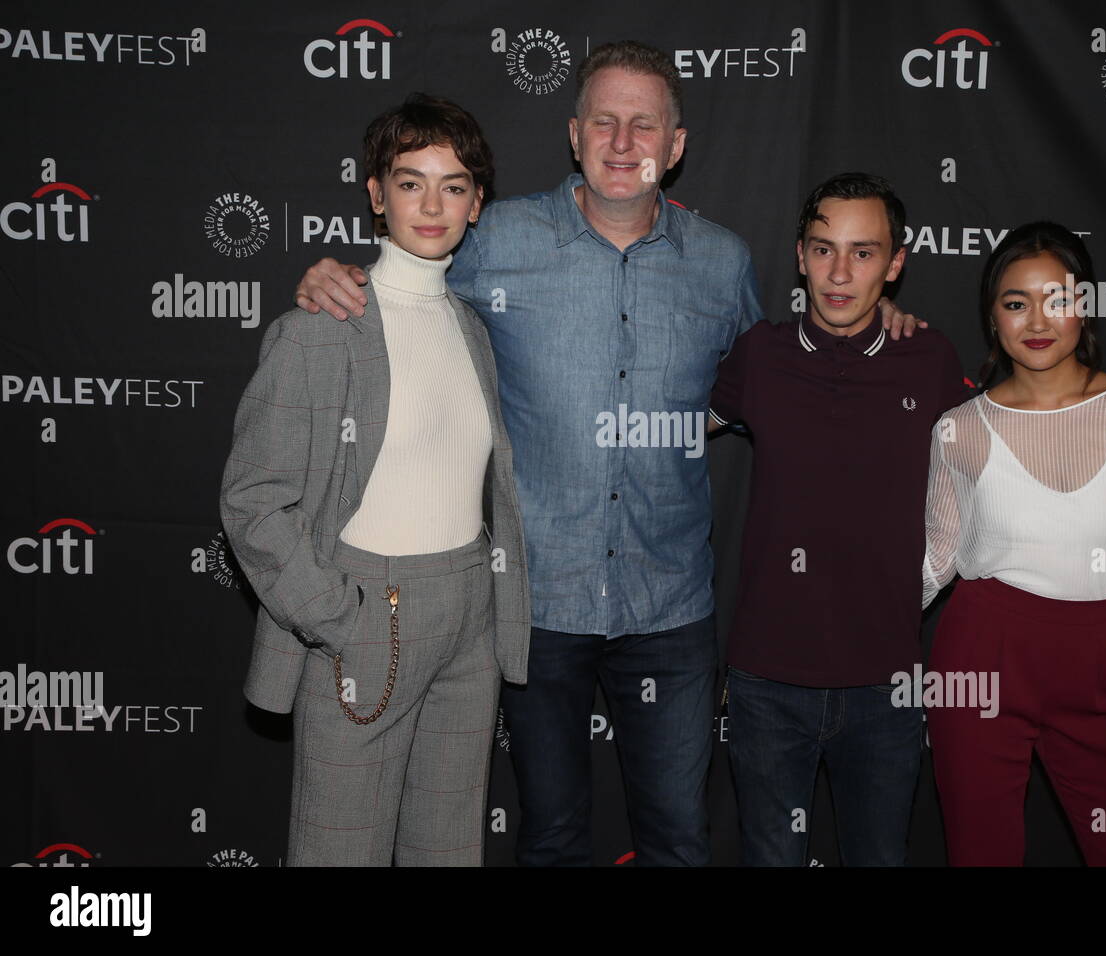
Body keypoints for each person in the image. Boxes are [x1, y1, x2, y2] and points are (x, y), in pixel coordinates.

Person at [292, 42, 921, 867]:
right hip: (537, 601)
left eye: (644, 125)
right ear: (574, 134)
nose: (624, 144)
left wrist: (891, 328)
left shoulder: (721, 262)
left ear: (677, 144)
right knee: (550, 836)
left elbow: (777, 370)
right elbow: (408, 282)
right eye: (605, 123)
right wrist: (332, 279)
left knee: (677, 836)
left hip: (670, 607)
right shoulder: (498, 238)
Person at [220, 93, 529, 866]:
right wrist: (333, 615)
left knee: (448, 850)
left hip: (470, 617)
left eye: (454, 185)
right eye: (410, 180)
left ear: (477, 202)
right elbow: (253, 500)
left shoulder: (472, 330)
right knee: (339, 851)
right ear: (375, 193)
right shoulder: (318, 328)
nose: (432, 203)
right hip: (366, 612)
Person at [921, 221, 1106, 866]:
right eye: (1016, 302)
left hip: (1104, 659)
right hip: (979, 657)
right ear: (993, 318)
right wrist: (836, 635)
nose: (1037, 320)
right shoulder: (959, 429)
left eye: (1059, 299)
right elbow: (935, 560)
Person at [708, 173, 968, 865]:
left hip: (887, 682)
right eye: (824, 250)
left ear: (896, 262)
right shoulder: (759, 356)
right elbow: (672, 424)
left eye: (863, 252)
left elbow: (1016, 431)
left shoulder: (930, 360)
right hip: (766, 681)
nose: (840, 273)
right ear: (799, 255)